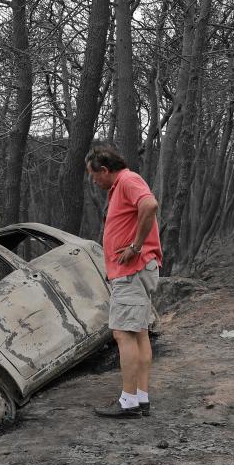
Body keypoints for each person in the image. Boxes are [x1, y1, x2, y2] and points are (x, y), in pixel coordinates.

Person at [85, 144, 162, 418]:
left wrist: (136, 246)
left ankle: (128, 401)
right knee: (138, 332)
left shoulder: (128, 180)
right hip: (134, 271)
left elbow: (150, 204)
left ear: (105, 170)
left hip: (131, 270)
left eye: (95, 176)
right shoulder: (122, 185)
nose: (94, 182)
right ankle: (141, 397)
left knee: (123, 333)